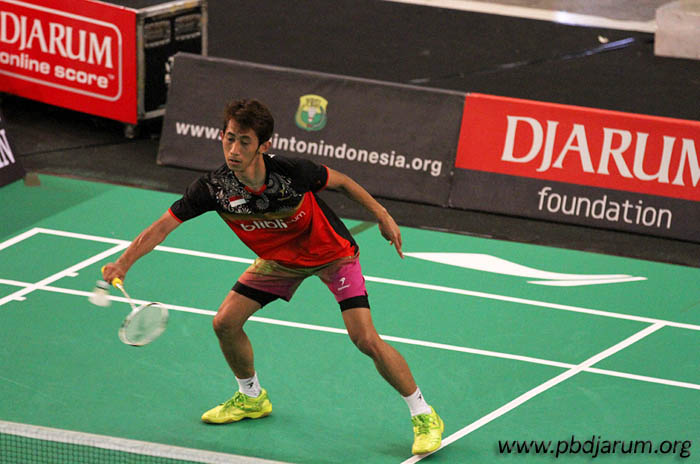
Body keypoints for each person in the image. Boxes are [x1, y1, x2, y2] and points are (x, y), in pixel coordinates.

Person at [102, 98, 443, 455]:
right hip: (279, 261)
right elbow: (162, 227)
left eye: (244, 141)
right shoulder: (214, 188)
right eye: (229, 138)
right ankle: (251, 397)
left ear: (264, 145)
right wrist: (123, 264)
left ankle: (424, 414)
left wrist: (382, 215)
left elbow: (341, 182)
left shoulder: (292, 173)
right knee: (225, 323)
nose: (234, 150)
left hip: (332, 255)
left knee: (365, 338)